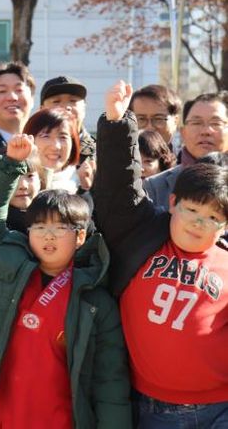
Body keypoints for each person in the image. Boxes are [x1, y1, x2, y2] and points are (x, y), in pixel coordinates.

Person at [0, 134, 131, 429]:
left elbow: (110, 380)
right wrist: (9, 165)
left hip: (58, 420)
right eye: (39, 227)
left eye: (60, 228)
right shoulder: (7, 262)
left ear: (80, 237)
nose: (48, 236)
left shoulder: (95, 300)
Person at [93, 80, 227, 427]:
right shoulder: (142, 235)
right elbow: (119, 187)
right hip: (154, 408)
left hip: (220, 406)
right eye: (191, 210)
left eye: (213, 217)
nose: (198, 223)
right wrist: (117, 122)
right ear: (172, 203)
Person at [143, 91, 227, 209]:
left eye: (216, 123)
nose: (206, 131)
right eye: (196, 123)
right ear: (183, 132)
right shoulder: (155, 186)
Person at [40, 75, 96, 164]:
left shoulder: (101, 153)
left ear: (84, 108)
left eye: (73, 101)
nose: (66, 107)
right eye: (56, 101)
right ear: (42, 110)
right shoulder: (29, 152)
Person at [23, 107, 81, 193]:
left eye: (63, 137)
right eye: (45, 136)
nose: (56, 146)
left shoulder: (83, 183)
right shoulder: (16, 185)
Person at [0, 62, 36, 151]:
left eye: (19, 90)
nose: (12, 97)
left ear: (32, 99)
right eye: (2, 91)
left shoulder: (44, 143)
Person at [128, 84, 182, 155]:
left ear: (175, 121)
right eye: (141, 119)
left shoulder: (187, 160)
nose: (149, 128)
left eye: (158, 119)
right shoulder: (119, 158)